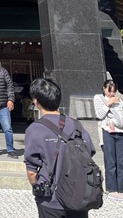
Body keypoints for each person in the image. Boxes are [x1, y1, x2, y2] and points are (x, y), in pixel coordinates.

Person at [24, 78, 98, 217]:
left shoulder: (34, 129)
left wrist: (37, 188)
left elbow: (32, 172)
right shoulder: (76, 125)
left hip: (50, 199)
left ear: (36, 102)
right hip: (78, 196)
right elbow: (89, 153)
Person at [94, 79, 123, 201]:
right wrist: (108, 103)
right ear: (104, 89)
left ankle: (120, 189)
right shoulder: (99, 98)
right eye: (109, 91)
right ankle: (112, 190)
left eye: (113, 91)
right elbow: (99, 115)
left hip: (120, 132)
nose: (111, 94)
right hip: (107, 132)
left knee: (122, 162)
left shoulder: (120, 101)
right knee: (110, 161)